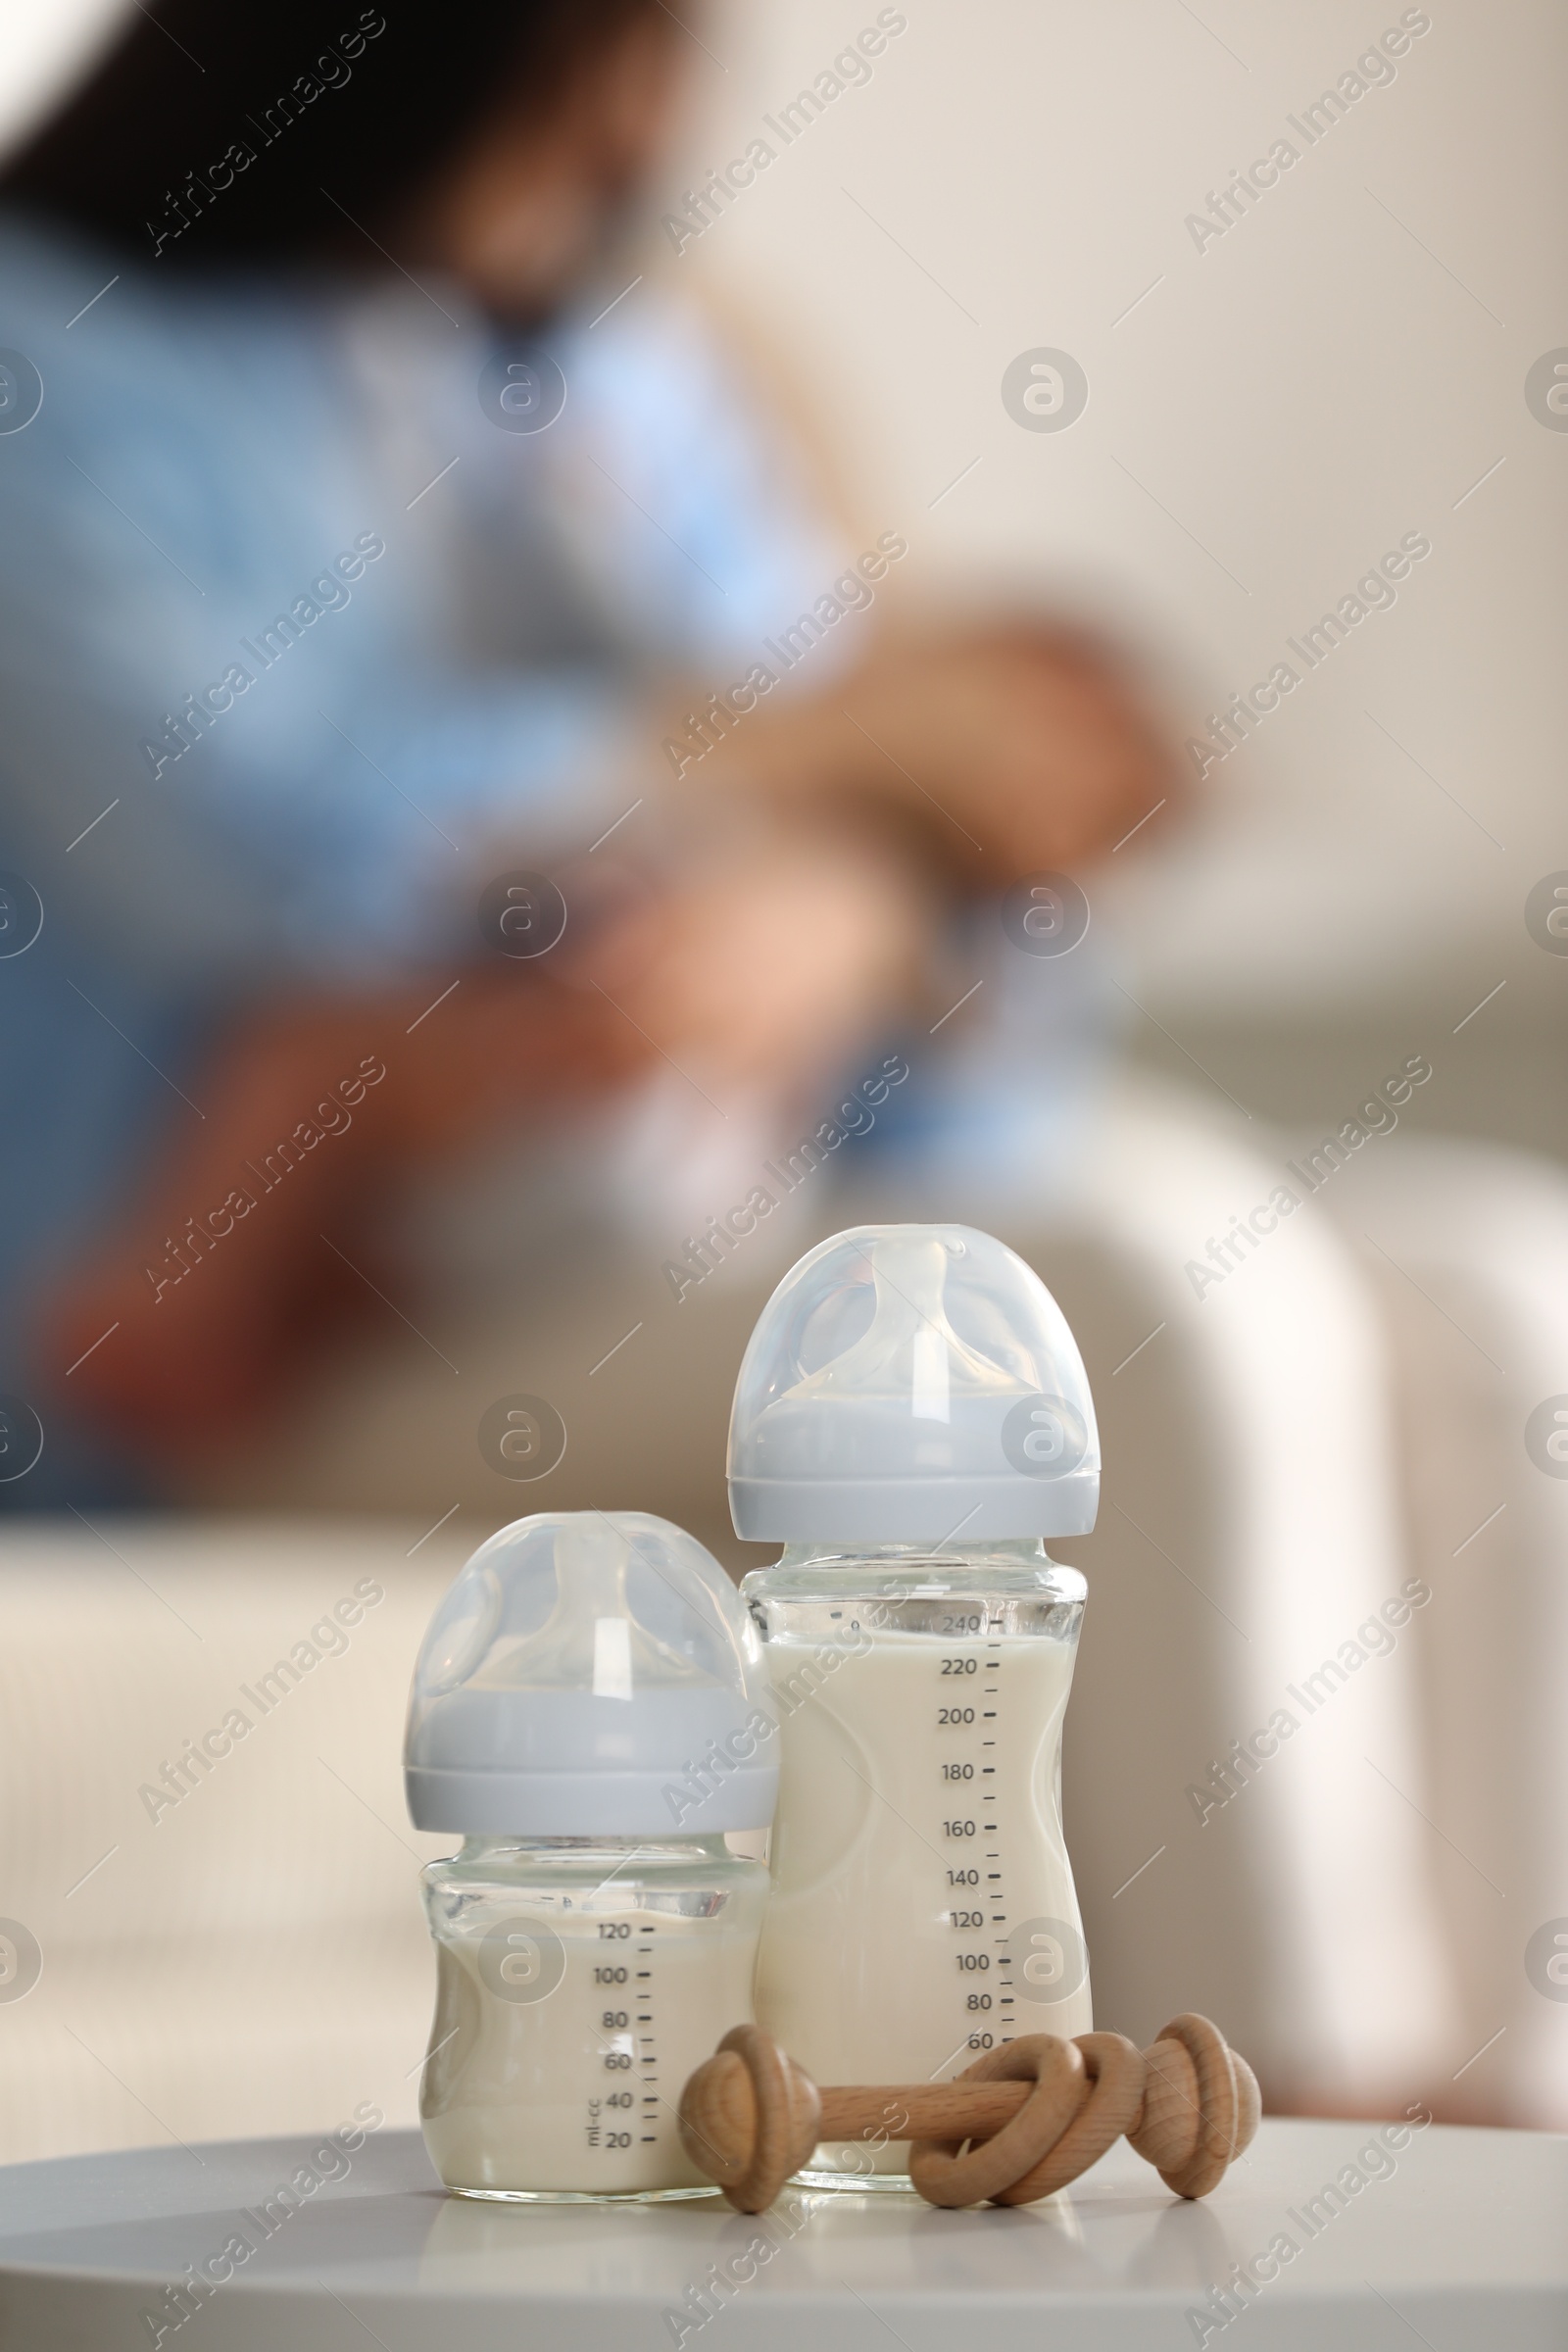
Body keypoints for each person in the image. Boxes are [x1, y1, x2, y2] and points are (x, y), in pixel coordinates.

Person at [0, 0, 1170, 1500]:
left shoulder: (626, 370)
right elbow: (258, 853)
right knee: (1153, 1340)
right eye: (589, 56)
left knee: (1470, 1294)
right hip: (267, 1332)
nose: (638, 131)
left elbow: (949, 842)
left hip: (692, 1143)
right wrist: (778, 758)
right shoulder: (53, 355)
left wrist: (853, 912)